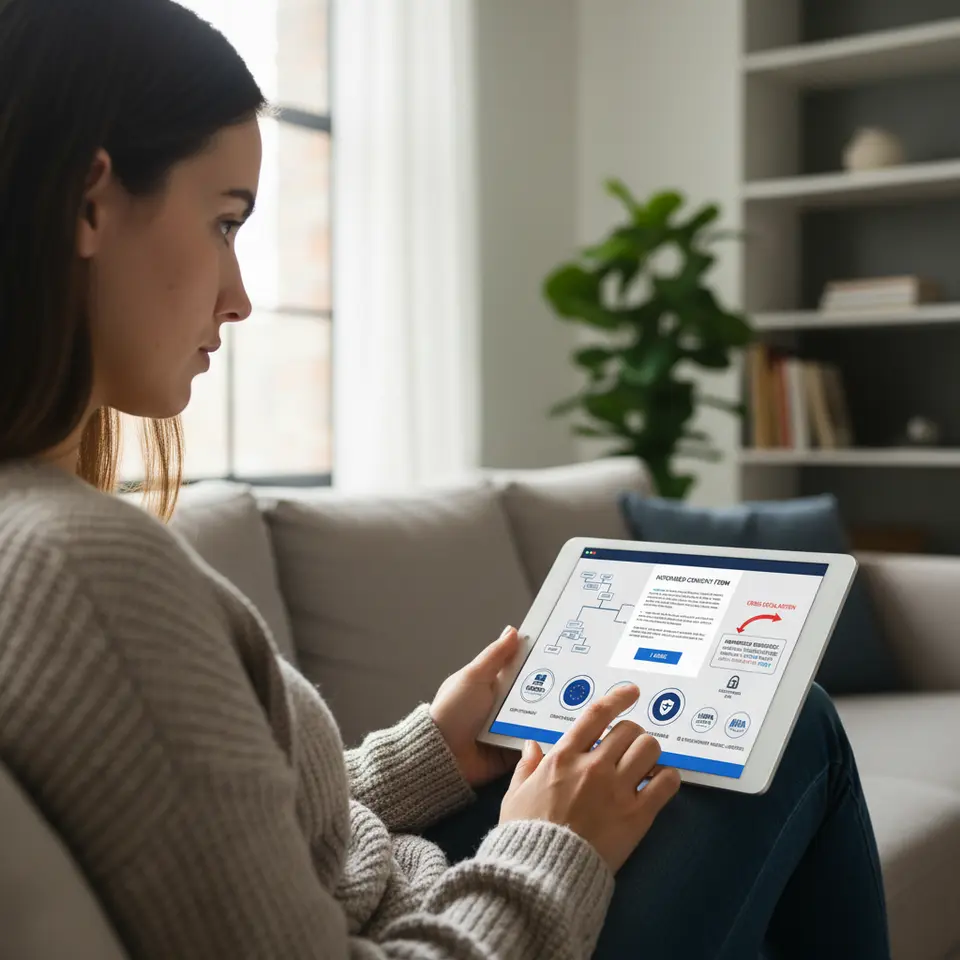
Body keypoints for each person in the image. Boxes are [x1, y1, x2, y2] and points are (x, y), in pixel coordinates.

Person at [0, 1, 891, 958]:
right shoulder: (85, 570)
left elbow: (232, 848)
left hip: (407, 889)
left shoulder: (41, 537)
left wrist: (431, 751)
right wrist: (552, 845)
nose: (242, 294)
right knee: (788, 725)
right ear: (90, 204)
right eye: (224, 223)